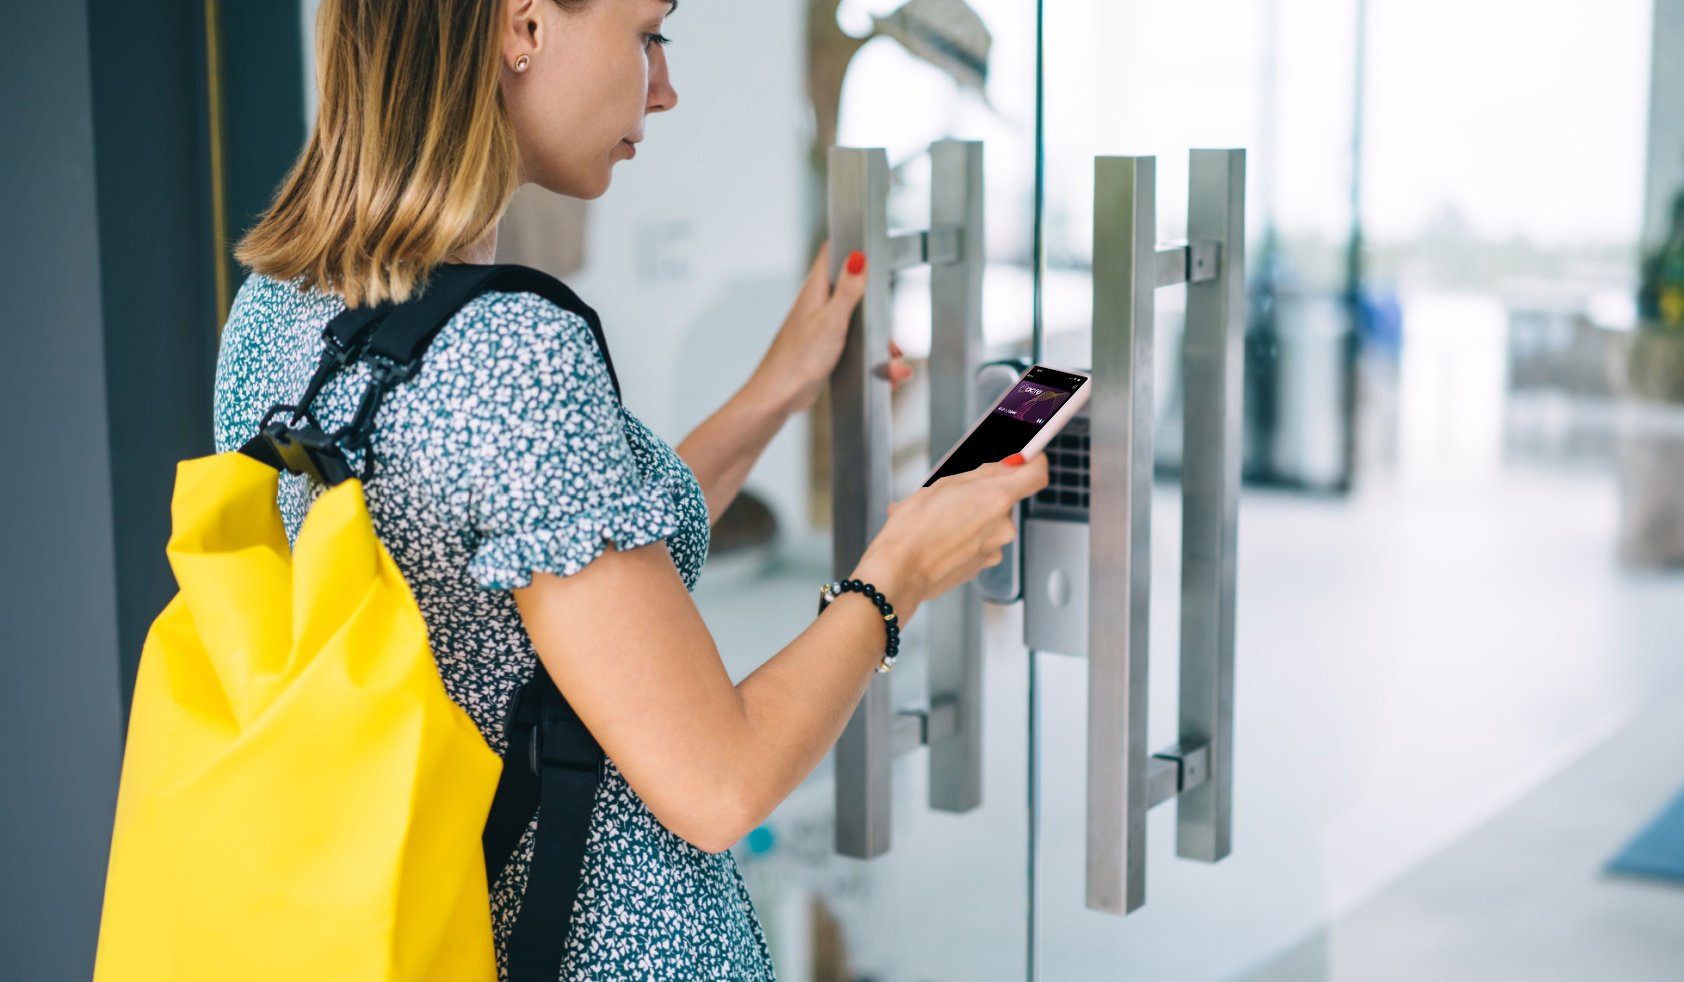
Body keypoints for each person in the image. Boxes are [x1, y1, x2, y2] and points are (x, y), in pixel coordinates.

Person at [214, 0, 1049, 977]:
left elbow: (574, 567)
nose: (664, 84)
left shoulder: (275, 313)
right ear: (522, 26)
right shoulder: (509, 349)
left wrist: (779, 386)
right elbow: (719, 781)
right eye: (647, 31)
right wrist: (898, 571)